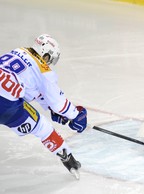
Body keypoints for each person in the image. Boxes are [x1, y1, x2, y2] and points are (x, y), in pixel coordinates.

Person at [0, 34, 87, 177]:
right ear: (46, 54)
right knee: (42, 127)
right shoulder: (44, 70)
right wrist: (76, 116)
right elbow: (59, 104)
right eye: (49, 59)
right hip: (6, 106)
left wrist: (49, 108)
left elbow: (32, 90)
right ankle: (69, 159)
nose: (48, 62)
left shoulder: (19, 51)